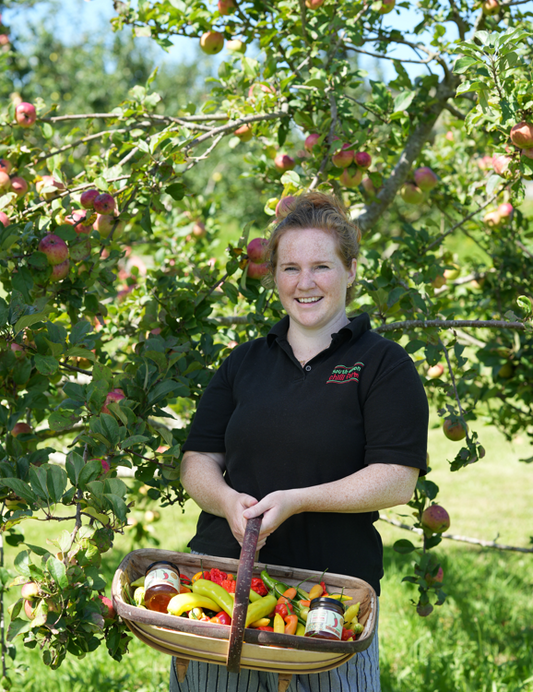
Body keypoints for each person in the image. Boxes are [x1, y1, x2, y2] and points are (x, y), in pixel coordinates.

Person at [171, 191, 429, 692]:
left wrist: (299, 501)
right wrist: (224, 500)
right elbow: (197, 459)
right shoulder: (242, 362)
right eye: (289, 268)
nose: (304, 283)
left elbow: (396, 479)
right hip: (220, 588)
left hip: (330, 600)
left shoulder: (384, 365)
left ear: (351, 270)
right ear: (273, 277)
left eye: (321, 266)